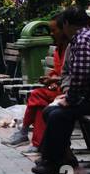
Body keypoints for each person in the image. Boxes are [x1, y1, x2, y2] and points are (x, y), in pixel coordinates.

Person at [32, 5, 90, 174]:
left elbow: (80, 76)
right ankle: (60, 157)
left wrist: (70, 98)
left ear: (66, 23)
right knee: (51, 111)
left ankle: (53, 162)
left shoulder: (83, 41)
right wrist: (68, 96)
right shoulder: (85, 37)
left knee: (57, 114)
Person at [4, 14, 68, 148]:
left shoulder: (71, 48)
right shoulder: (59, 48)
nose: (51, 34)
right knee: (39, 105)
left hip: (69, 92)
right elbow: (58, 72)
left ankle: (24, 132)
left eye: (54, 30)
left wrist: (54, 80)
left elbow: (71, 75)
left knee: (36, 95)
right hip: (59, 88)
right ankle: (37, 143)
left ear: (65, 29)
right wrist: (51, 79)